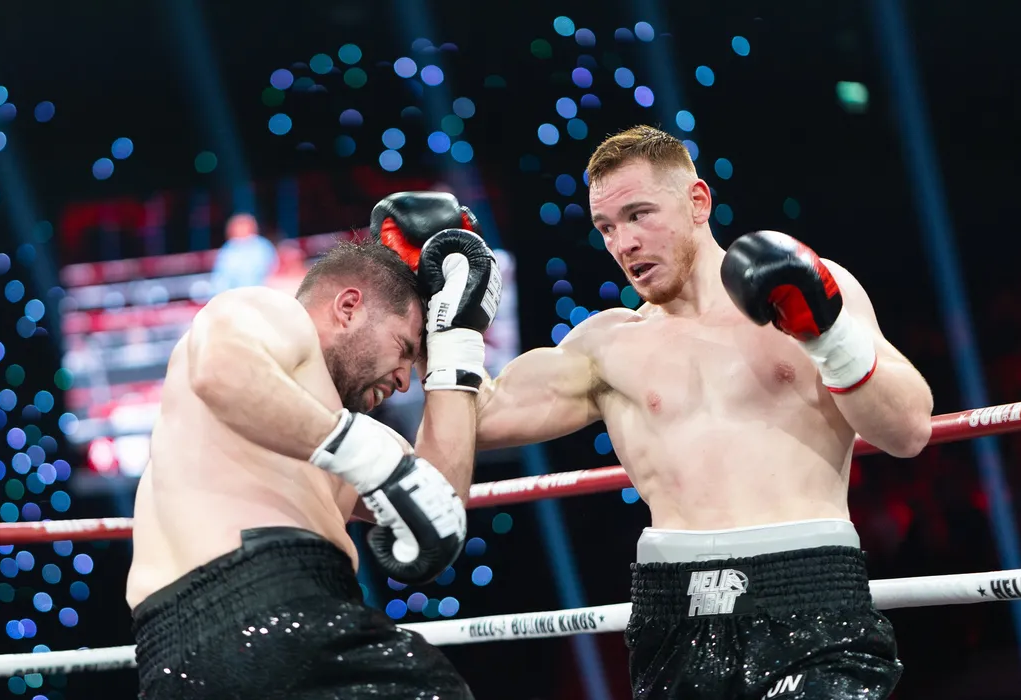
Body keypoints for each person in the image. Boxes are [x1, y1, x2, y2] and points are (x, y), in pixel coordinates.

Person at [468, 126, 933, 699]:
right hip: (674, 612)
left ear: (697, 202)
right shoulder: (606, 345)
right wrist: (446, 321)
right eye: (606, 228)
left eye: (639, 215)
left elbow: (908, 430)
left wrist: (828, 335)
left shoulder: (811, 285)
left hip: (810, 594)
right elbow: (476, 420)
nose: (623, 243)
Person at [126, 206, 502, 699]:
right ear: (348, 307)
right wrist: (365, 456)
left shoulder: (347, 433)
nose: (404, 381)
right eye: (404, 348)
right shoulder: (270, 312)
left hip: (194, 657)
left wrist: (454, 346)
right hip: (267, 609)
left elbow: (438, 510)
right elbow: (220, 373)